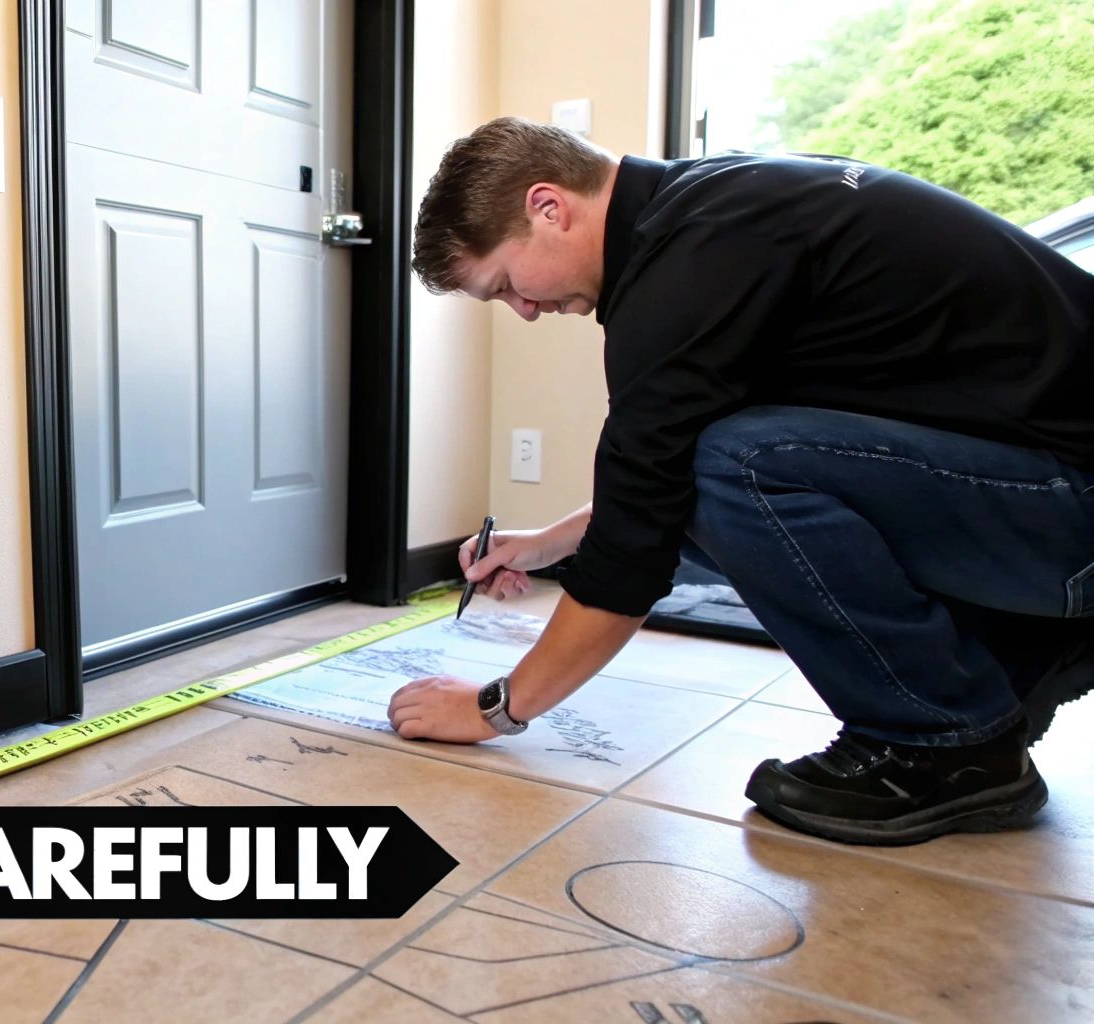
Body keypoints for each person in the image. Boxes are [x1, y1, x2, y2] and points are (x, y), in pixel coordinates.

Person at [389, 116, 1094, 846]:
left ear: (549, 207)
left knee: (735, 466)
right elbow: (654, 487)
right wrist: (548, 544)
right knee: (722, 462)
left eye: (507, 285)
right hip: (1052, 487)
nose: (526, 311)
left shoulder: (685, 272)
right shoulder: (722, 208)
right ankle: (1025, 643)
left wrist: (496, 708)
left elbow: (637, 544)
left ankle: (946, 745)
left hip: (1072, 508)